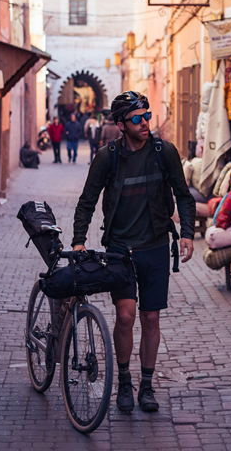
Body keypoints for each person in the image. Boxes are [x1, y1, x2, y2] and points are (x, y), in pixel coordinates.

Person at [72, 91, 195, 414]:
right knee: (125, 317)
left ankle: (147, 386)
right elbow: (87, 200)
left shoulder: (163, 152)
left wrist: (187, 234)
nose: (145, 123)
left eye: (147, 116)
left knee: (151, 317)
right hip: (120, 250)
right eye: (137, 118)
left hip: (154, 247)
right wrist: (78, 240)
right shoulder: (107, 157)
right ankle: (124, 382)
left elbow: (183, 194)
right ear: (121, 124)